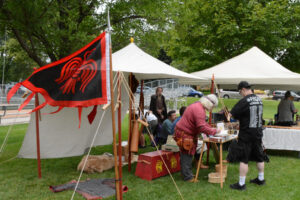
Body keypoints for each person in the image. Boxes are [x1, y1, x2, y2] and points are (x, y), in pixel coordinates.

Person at [174, 94, 220, 182]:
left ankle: (186, 173)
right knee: (186, 154)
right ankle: (188, 177)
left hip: (184, 132)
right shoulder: (199, 109)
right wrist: (214, 131)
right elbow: (201, 127)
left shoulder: (197, 106)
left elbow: (202, 123)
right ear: (210, 103)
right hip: (185, 133)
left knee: (186, 154)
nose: (212, 109)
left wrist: (211, 128)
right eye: (213, 106)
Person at [229, 81, 265, 190]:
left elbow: (231, 116)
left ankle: (241, 184)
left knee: (244, 159)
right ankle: (260, 179)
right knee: (260, 157)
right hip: (258, 132)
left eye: (240, 92)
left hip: (247, 134)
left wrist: (230, 115)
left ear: (243, 89)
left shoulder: (244, 101)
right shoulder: (259, 99)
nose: (241, 94)